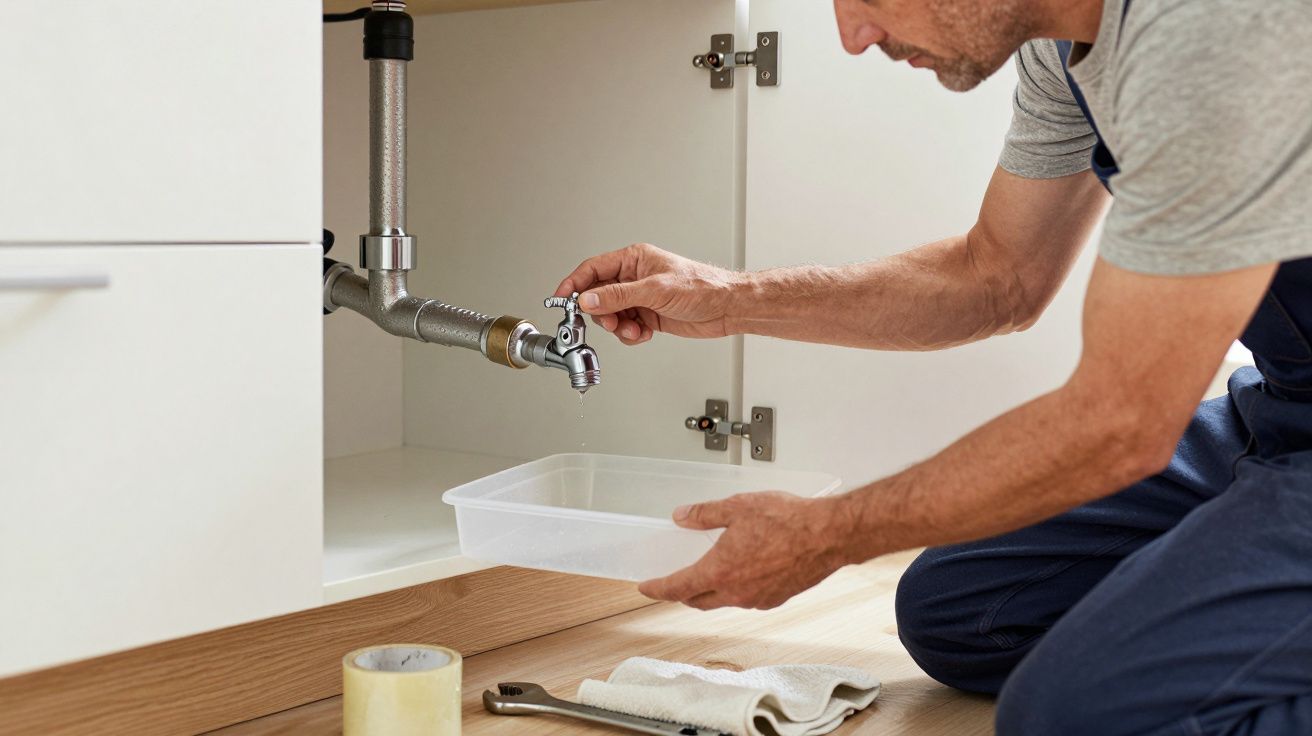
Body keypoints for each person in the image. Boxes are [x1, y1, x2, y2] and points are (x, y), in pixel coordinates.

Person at [553, 0, 1312, 733]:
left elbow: (1122, 420)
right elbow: (997, 277)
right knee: (965, 612)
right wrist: (724, 297)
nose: (853, 34)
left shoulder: (1212, 34)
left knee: (1072, 716)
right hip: (1280, 411)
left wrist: (828, 533)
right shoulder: (1066, 50)